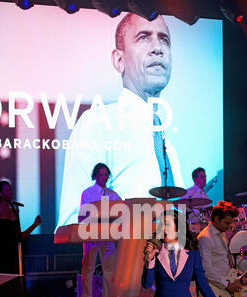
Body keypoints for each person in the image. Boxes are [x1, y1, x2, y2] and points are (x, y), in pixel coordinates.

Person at [56, 13, 183, 229]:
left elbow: (177, 222)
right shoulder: (98, 123)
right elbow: (74, 221)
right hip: (124, 259)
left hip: (172, 255)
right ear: (118, 60)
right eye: (144, 37)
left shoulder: (167, 145)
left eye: (164, 39)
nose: (158, 48)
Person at [79, 163, 121, 297]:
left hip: (108, 234)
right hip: (91, 233)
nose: (103, 178)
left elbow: (122, 211)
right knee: (88, 268)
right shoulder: (88, 193)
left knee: (109, 269)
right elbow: (83, 214)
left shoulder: (113, 194)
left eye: (106, 175)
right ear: (95, 175)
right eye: (101, 174)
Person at [0, 180, 41, 274]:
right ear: (0, 194)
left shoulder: (14, 210)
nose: (11, 192)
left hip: (14, 254)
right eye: (7, 190)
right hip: (0, 254)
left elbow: (19, 236)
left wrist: (35, 225)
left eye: (11, 189)